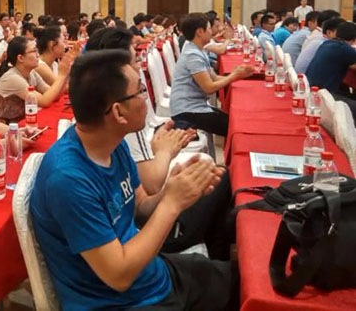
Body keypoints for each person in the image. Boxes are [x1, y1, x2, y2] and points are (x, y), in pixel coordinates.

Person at [30, 50, 235, 311]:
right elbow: (119, 276)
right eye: (140, 91)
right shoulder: (68, 180)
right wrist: (171, 203)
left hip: (152, 275)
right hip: (120, 302)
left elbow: (139, 207)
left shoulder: (113, 144)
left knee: (245, 281)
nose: (146, 98)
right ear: (118, 112)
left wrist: (172, 190)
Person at [170, 13, 253, 136]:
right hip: (187, 112)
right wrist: (234, 76)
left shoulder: (199, 50)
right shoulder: (192, 55)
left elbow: (214, 78)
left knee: (233, 120)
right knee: (236, 127)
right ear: (199, 32)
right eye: (209, 28)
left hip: (196, 106)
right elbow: (209, 88)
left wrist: (237, 75)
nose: (212, 32)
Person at [0, 36, 73, 123]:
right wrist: (62, 75)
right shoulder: (12, 78)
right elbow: (44, 101)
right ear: (20, 58)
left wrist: (65, 74)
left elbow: (54, 95)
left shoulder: (31, 73)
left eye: (37, 51)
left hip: (18, 121)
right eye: (34, 51)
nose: (38, 55)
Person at [306, 22, 356, 117]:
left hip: (312, 91)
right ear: (354, 39)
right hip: (323, 96)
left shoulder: (326, 43)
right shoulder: (344, 49)